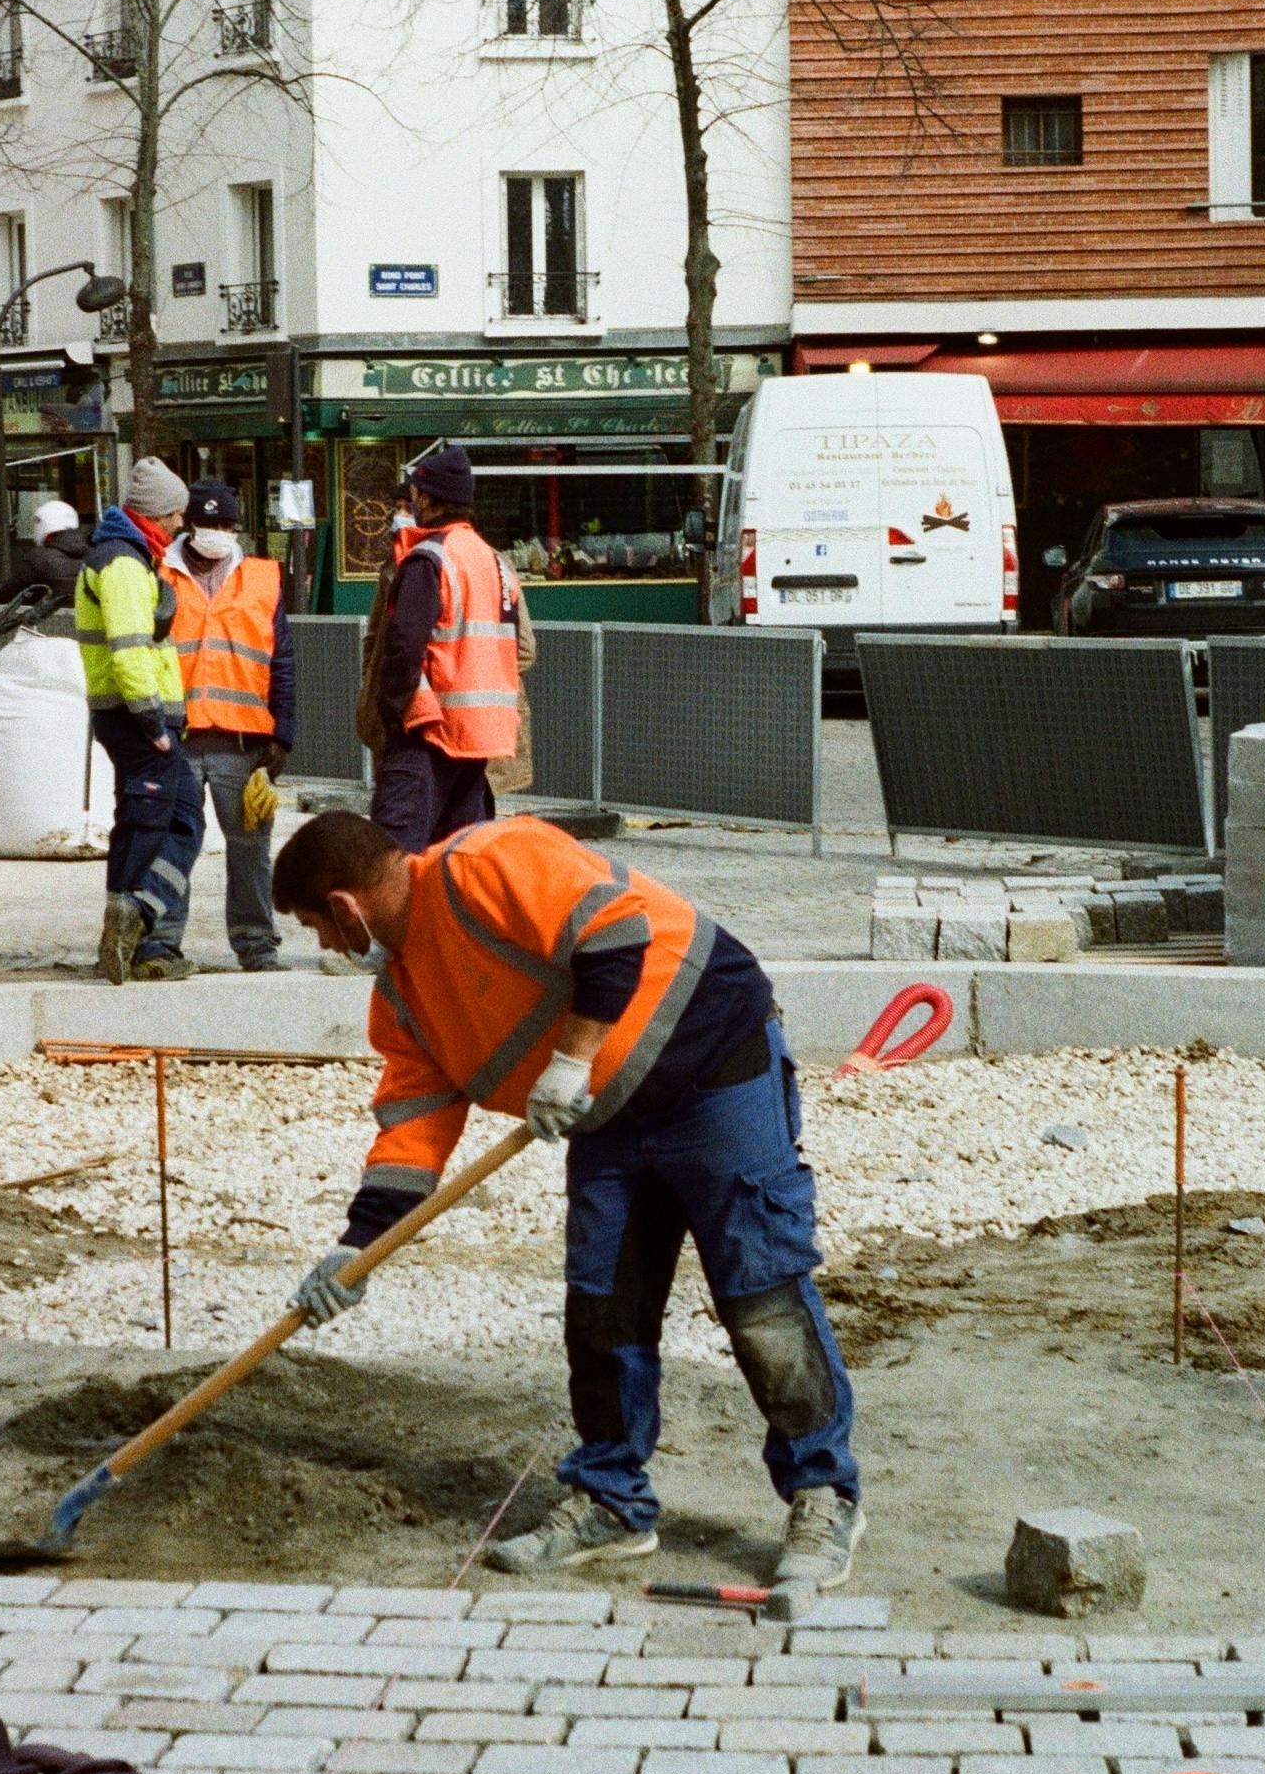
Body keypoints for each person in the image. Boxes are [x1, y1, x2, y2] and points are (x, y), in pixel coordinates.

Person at [272, 809, 865, 1593]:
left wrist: (568, 1061)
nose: (322, 944)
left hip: (712, 1065)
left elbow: (616, 934)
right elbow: (414, 1126)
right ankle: (612, 1504)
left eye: (316, 924)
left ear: (346, 905)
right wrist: (359, 1247)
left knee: (761, 1300)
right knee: (602, 1309)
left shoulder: (487, 861)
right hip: (606, 1115)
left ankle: (824, 1496)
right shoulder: (404, 996)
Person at [154, 478, 297, 973]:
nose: (216, 533)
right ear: (188, 526)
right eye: (206, 523)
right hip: (179, 740)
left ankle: (257, 947)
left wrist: (283, 736)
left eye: (225, 525)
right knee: (173, 843)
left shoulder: (262, 577)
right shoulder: (159, 575)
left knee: (252, 850)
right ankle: (162, 942)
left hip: (245, 743)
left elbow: (282, 662)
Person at [74, 457, 203, 983]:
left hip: (127, 717)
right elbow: (130, 650)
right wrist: (153, 721)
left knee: (141, 822)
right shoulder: (124, 563)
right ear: (160, 514)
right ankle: (138, 914)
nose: (180, 527)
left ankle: (126, 933)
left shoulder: (125, 556)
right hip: (138, 719)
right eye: (177, 516)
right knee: (172, 823)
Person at [363, 444, 521, 851]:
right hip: (480, 740)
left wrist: (394, 715)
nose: (411, 503)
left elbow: (403, 648)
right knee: (459, 862)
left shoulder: (429, 559)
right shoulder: (494, 562)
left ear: (428, 499)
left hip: (427, 734)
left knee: (391, 861)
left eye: (415, 494)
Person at [0, 496, 90, 607]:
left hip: (48, 622)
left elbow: (6, 594)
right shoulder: (94, 556)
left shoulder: (39, 559)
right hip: (85, 621)